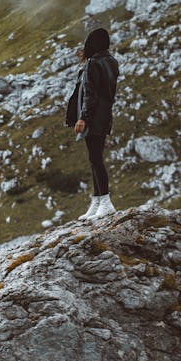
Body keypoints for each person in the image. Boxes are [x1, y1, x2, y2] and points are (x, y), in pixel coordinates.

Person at [66, 27, 119, 220]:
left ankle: (104, 201)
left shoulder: (93, 64)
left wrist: (83, 118)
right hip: (105, 116)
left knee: (95, 159)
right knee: (95, 157)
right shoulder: (111, 62)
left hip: (93, 117)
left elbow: (90, 94)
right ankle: (97, 201)